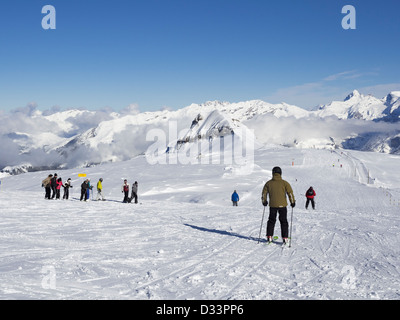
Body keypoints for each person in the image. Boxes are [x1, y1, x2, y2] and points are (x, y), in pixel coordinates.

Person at [261, 166, 295, 244]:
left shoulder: (268, 183)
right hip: (282, 206)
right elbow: (290, 193)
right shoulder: (285, 183)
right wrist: (292, 202)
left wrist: (264, 201)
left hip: (272, 205)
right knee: (283, 221)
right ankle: (285, 237)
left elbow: (264, 193)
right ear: (280, 173)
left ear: (273, 173)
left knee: (271, 221)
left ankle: (269, 236)